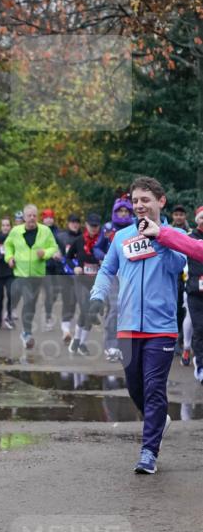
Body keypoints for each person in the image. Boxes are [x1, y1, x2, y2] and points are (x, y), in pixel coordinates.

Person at [89, 176, 186, 474]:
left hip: (161, 327)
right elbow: (107, 270)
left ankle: (148, 452)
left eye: (146, 200)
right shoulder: (121, 237)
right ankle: (159, 420)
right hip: (128, 325)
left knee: (154, 387)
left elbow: (177, 266)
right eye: (135, 201)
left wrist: (160, 237)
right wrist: (97, 296)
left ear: (161, 201)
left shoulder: (175, 234)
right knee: (135, 386)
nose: (140, 205)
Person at [150, 205, 203, 383]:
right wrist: (160, 233)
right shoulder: (190, 236)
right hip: (193, 288)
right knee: (195, 322)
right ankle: (192, 354)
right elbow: (192, 247)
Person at [3, 204, 59, 349]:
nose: (32, 218)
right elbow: (8, 245)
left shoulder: (45, 231)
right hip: (20, 273)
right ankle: (27, 333)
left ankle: (25, 331)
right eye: (29, 216)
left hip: (37, 274)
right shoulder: (15, 231)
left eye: (34, 215)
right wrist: (9, 258)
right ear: (24, 217)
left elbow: (53, 247)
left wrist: (45, 254)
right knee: (28, 299)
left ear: (37, 217)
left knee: (31, 304)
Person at [97, 195, 134, 362]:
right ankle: (111, 345)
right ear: (115, 211)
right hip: (113, 274)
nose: (124, 214)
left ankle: (127, 344)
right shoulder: (108, 228)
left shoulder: (136, 227)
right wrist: (106, 256)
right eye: (121, 211)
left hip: (131, 274)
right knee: (114, 308)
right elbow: (97, 248)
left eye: (127, 211)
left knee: (129, 309)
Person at [65, 212, 105, 356]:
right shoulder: (79, 240)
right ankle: (76, 339)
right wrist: (74, 267)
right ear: (86, 225)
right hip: (81, 280)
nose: (94, 228)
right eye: (91, 225)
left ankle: (81, 343)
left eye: (96, 226)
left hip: (97, 282)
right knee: (85, 308)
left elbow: (111, 258)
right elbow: (68, 257)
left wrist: (104, 262)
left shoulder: (104, 241)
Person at [57, 213, 81, 343]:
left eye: (77, 222)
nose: (75, 224)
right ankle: (66, 330)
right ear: (68, 223)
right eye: (72, 222)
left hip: (81, 276)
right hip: (66, 275)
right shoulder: (61, 237)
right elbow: (53, 250)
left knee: (83, 304)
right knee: (69, 302)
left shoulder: (85, 237)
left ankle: (78, 332)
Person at [41, 208, 60, 330]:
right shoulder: (39, 232)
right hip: (44, 266)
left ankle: (48, 306)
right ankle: (48, 317)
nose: (49, 220)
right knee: (49, 291)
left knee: (55, 293)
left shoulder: (58, 232)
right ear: (43, 219)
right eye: (47, 217)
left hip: (57, 266)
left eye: (51, 217)